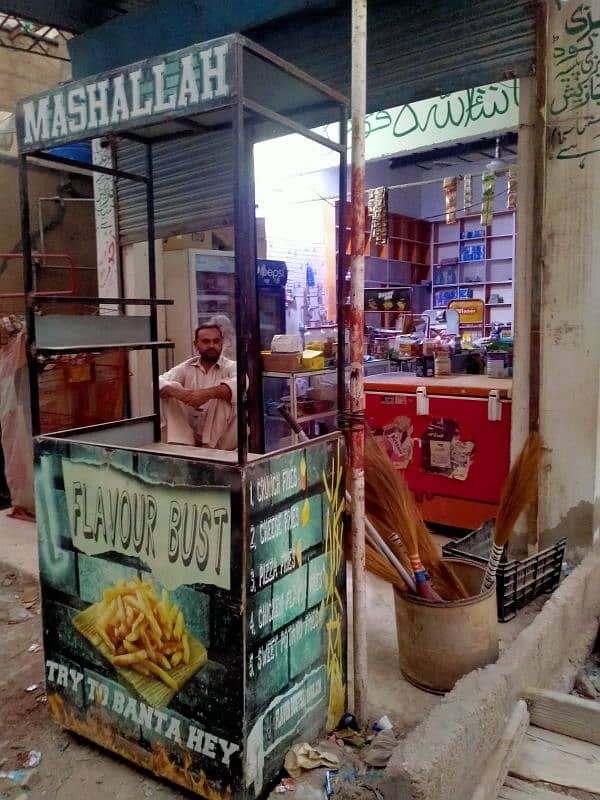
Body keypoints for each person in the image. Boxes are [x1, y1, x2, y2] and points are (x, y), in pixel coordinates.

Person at [159, 322, 238, 450]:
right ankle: (183, 445)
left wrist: (206, 394)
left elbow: (241, 384)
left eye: (216, 341)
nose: (212, 345)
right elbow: (157, 383)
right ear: (196, 345)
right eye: (206, 341)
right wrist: (182, 394)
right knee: (172, 387)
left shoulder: (231, 367)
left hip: (224, 441)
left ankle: (208, 448)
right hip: (193, 436)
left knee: (226, 393)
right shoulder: (187, 367)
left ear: (221, 343)